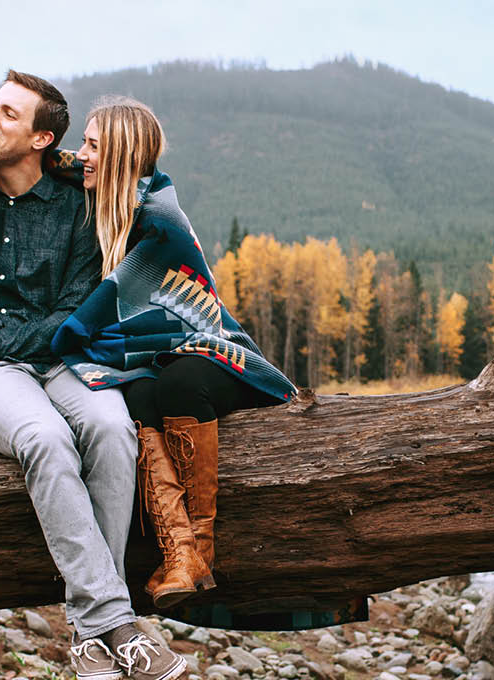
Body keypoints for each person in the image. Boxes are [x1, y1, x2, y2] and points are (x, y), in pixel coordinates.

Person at [0, 72, 187, 680]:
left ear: (39, 138)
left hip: (53, 357)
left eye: (7, 113)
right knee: (45, 439)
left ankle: (88, 633)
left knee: (111, 427)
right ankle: (119, 624)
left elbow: (70, 313)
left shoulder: (76, 205)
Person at [52, 96, 298, 609]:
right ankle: (178, 549)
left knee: (179, 384)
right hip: (157, 361)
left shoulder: (159, 219)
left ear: (121, 156)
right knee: (136, 393)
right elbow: (57, 166)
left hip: (214, 353)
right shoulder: (113, 200)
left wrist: (68, 333)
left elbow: (110, 306)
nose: (83, 155)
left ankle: (197, 552)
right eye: (84, 145)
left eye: (95, 146)